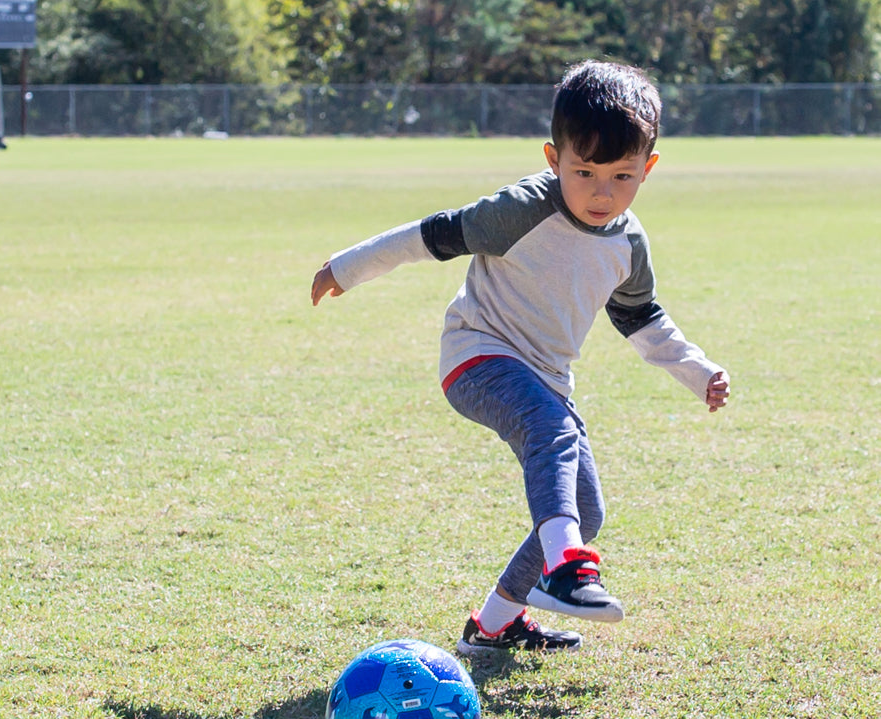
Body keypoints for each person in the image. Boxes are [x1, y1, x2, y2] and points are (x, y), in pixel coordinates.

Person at [311, 60, 730, 656]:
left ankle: (494, 625)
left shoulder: (628, 243)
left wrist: (700, 372)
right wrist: (346, 267)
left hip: (547, 381)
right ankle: (568, 572)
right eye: (583, 171)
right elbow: (433, 235)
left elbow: (642, 320)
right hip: (477, 356)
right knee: (550, 432)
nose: (601, 192)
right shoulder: (522, 210)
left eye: (622, 176)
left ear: (648, 169)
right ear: (553, 158)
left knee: (584, 508)